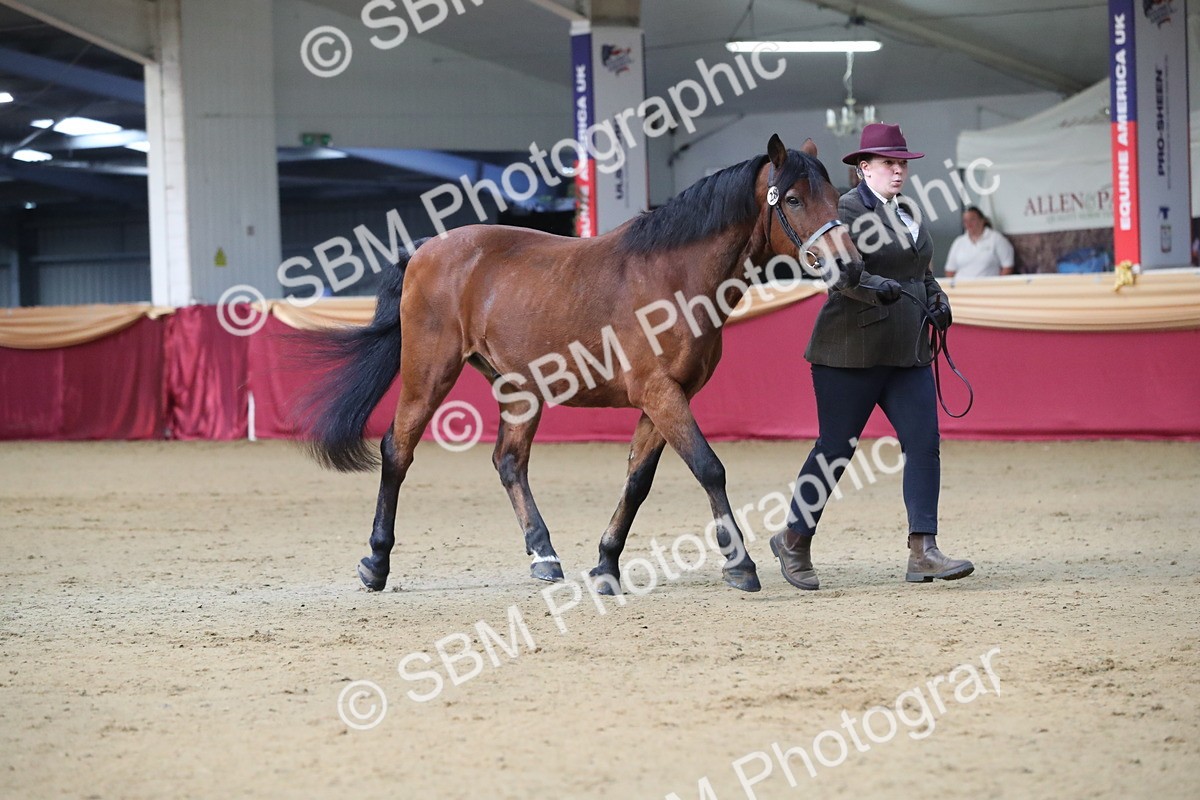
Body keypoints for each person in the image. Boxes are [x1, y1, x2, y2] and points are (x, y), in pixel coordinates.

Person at [768, 122, 974, 590]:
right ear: (863, 168)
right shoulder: (842, 209)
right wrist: (871, 286)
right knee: (835, 449)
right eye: (887, 163)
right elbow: (835, 270)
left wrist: (938, 298)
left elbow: (920, 272)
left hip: (906, 352)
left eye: (901, 164)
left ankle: (923, 550)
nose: (897, 171)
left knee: (923, 443)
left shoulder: (908, 212)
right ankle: (794, 539)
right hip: (849, 351)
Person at [944, 206, 1015, 278]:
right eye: (965, 221)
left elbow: (1007, 266)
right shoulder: (959, 242)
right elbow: (950, 270)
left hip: (986, 284)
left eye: (972, 219)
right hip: (961, 283)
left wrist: (998, 283)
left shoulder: (996, 239)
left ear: (982, 220)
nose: (968, 223)